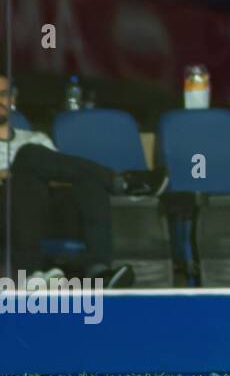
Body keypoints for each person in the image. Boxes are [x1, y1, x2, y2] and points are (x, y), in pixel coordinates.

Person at [0, 75, 162, 287]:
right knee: (26, 161)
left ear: (13, 98)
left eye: (3, 94)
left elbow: (61, 175)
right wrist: (14, 172)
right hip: (7, 216)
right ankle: (120, 182)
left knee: (87, 182)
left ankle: (99, 271)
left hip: (45, 213)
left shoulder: (35, 139)